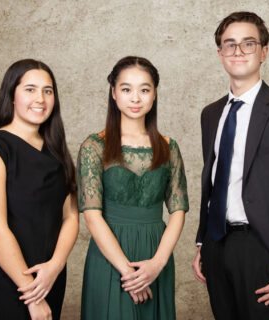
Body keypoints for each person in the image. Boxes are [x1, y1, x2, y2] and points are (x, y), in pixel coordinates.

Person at [191, 12, 269, 319]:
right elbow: (211, 183)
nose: (238, 52)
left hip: (264, 249)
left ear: (263, 52)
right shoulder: (210, 115)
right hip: (217, 245)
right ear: (219, 52)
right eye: (230, 44)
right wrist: (202, 242)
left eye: (248, 44)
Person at [0, 59, 79, 320]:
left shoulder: (56, 151)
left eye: (47, 91)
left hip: (50, 277)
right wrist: (33, 295)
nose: (40, 98)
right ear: (11, 95)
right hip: (9, 280)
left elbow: (71, 215)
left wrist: (54, 267)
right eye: (30, 89)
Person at [78, 56, 188, 320]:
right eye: (126, 89)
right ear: (114, 94)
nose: (135, 98)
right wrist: (127, 272)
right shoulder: (94, 146)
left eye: (144, 89)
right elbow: (92, 216)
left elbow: (178, 211)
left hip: (155, 255)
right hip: (110, 257)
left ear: (154, 95)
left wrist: (157, 264)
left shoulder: (168, 147)